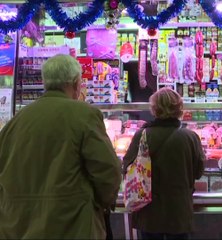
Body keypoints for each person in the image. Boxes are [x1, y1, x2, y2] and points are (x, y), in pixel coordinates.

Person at [0, 54, 122, 239]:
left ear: (45, 81)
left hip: (19, 225)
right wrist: (101, 203)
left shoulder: (16, 121)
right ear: (76, 83)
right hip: (72, 223)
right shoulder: (84, 115)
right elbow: (108, 170)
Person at [123, 87, 205, 240]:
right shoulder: (190, 137)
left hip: (149, 212)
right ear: (179, 108)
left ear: (154, 109)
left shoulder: (143, 135)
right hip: (179, 211)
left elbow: (127, 166)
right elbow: (199, 172)